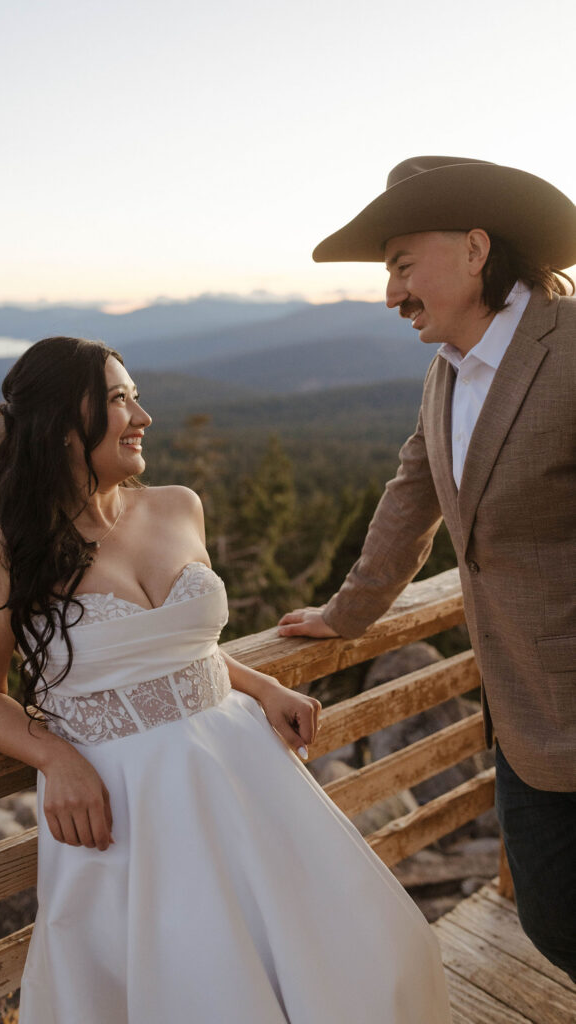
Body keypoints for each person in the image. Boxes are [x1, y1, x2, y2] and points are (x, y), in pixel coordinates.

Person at [0, 335, 450, 1024]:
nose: (142, 415)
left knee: (354, 956)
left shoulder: (179, 505)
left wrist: (262, 688)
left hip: (243, 766)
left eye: (136, 396)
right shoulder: (4, 551)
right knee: (190, 984)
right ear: (63, 425)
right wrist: (54, 756)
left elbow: (183, 648)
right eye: (120, 399)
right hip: (126, 805)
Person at [279, 155, 576, 983]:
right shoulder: (446, 370)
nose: (389, 295)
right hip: (522, 714)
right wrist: (347, 615)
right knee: (553, 917)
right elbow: (411, 495)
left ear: (475, 249)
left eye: (402, 266)